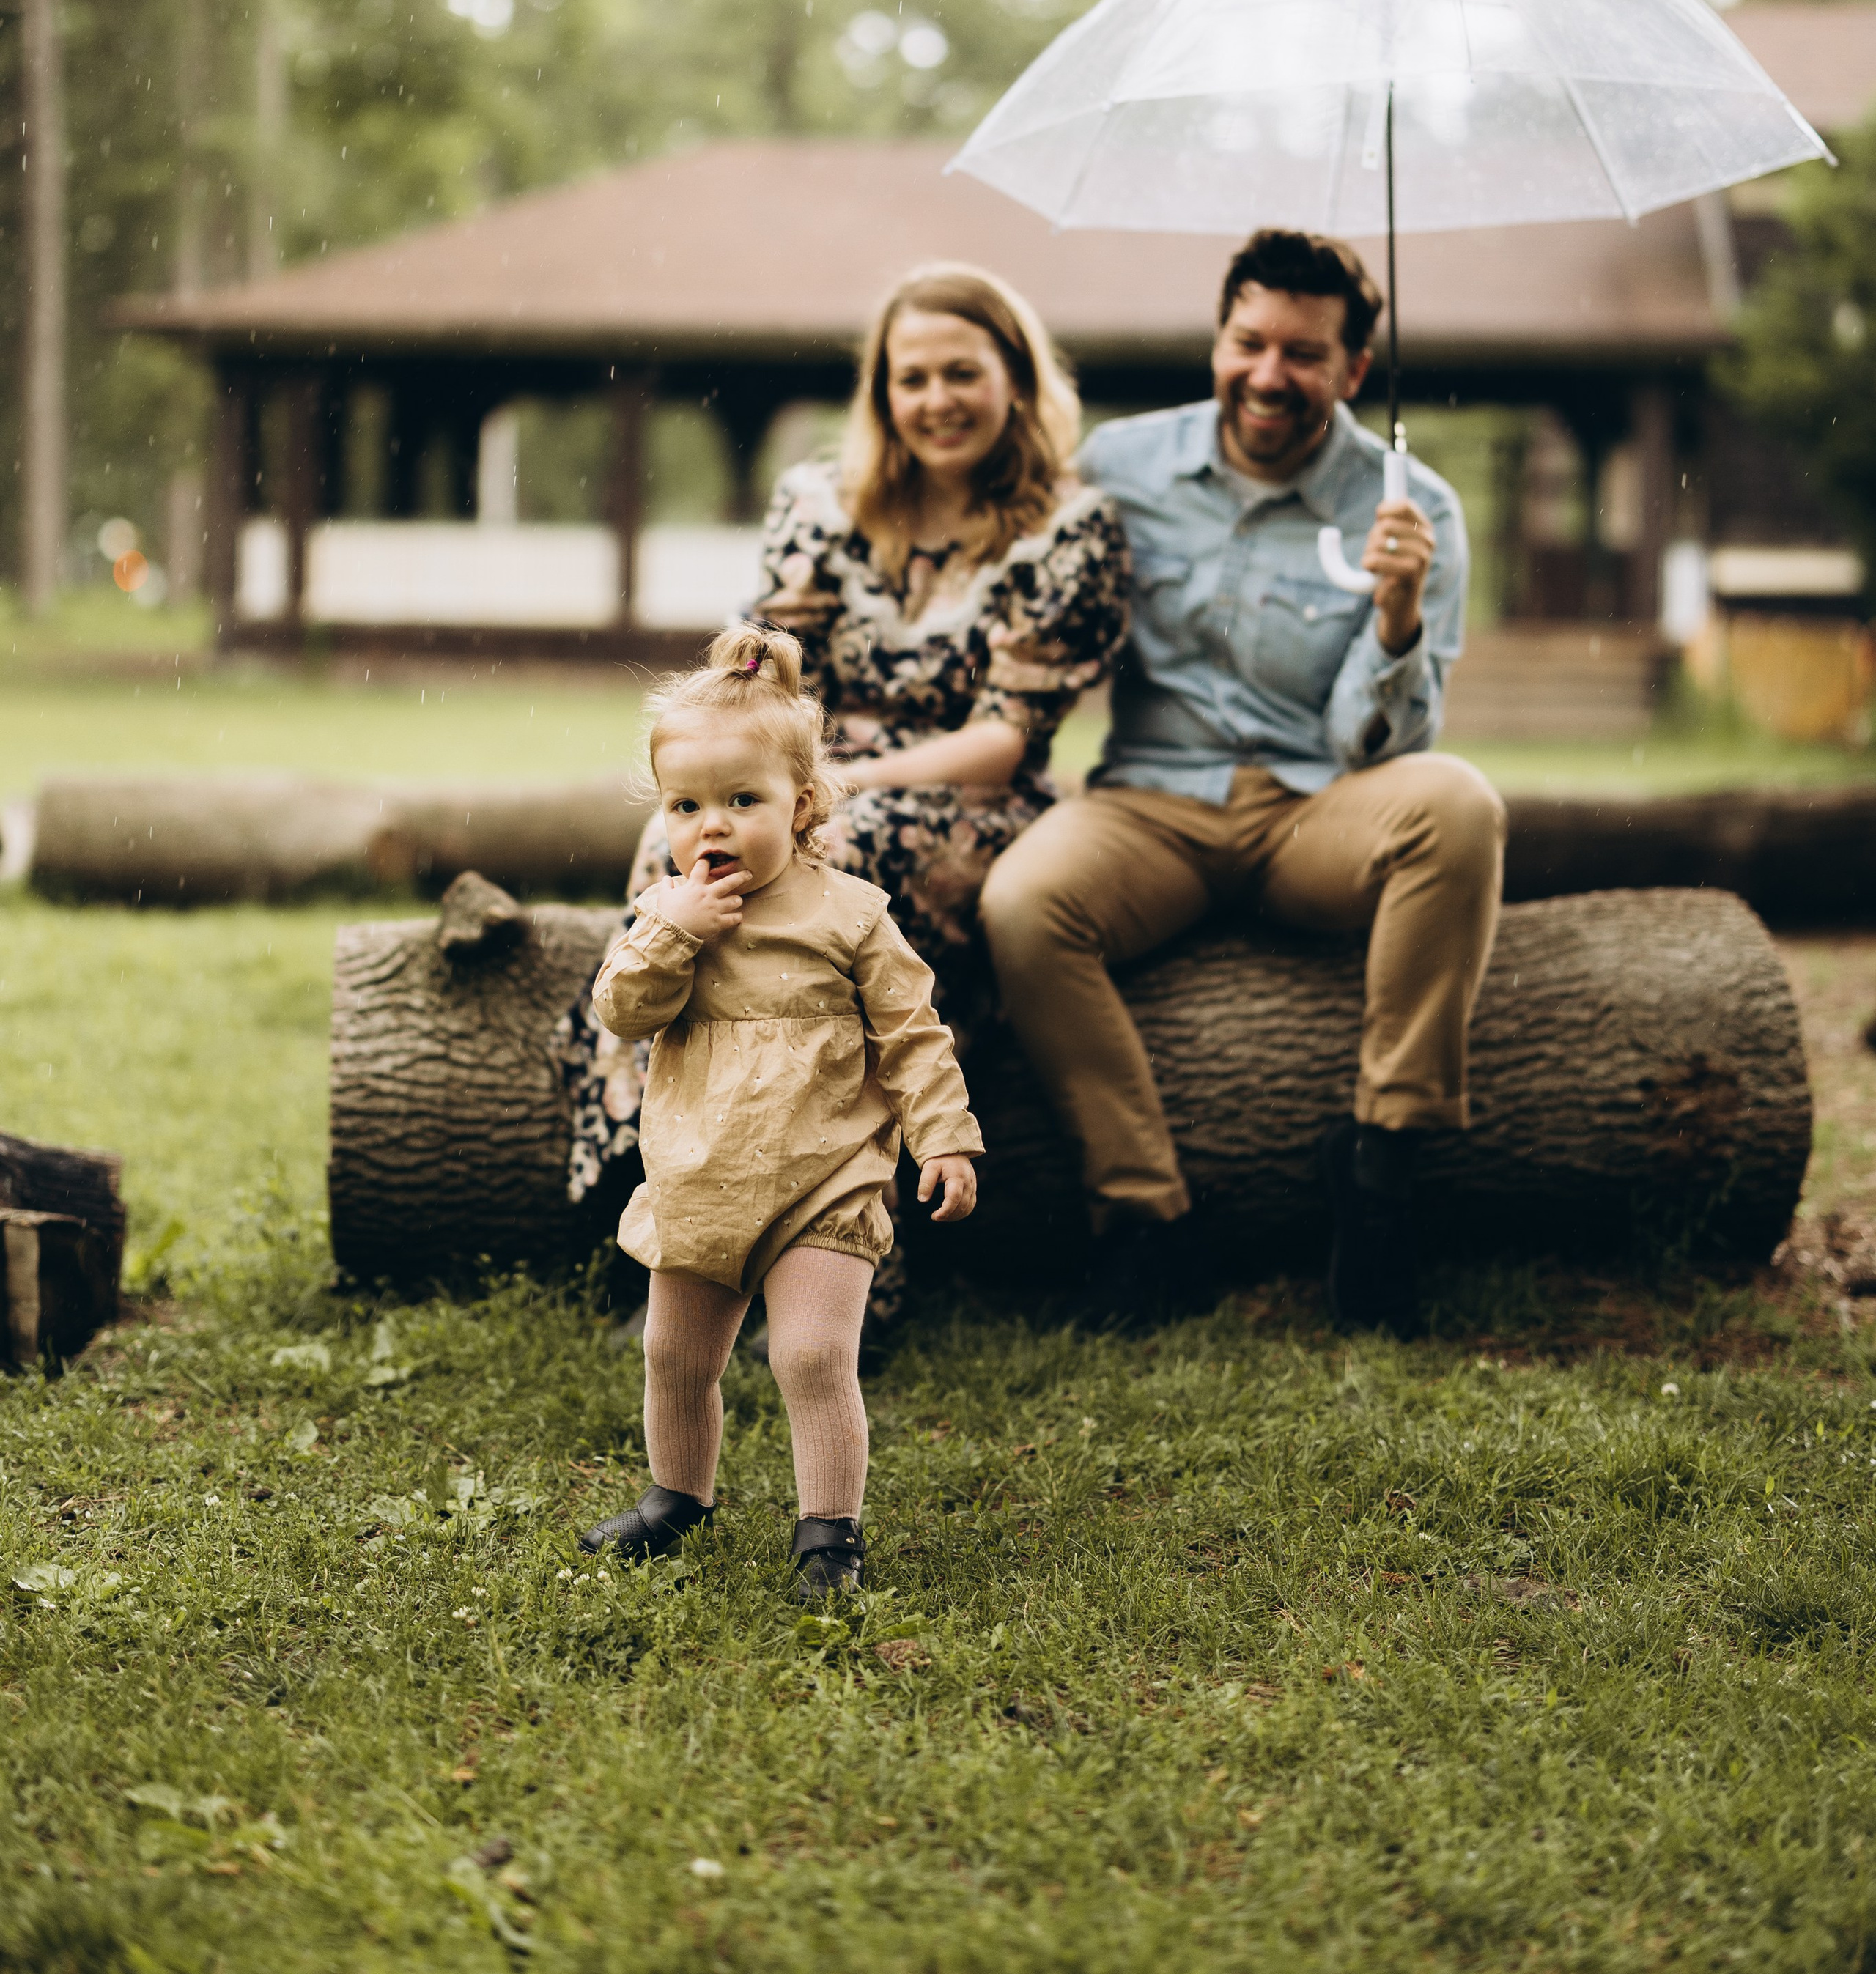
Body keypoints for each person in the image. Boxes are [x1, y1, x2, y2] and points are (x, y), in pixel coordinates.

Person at [978, 227, 1507, 1338]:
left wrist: (1399, 615)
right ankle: (1146, 1218)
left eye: (1304, 354)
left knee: (1459, 803)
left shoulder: (1414, 509)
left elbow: (1382, 742)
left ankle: (1382, 1170)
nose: (1270, 375)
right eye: (1249, 342)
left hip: (1315, 807)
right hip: (1148, 805)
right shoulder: (1120, 467)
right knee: (1023, 905)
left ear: (1354, 370)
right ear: (1218, 340)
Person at [561, 263, 1130, 1275]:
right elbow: (768, 680)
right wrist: (779, 782)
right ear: (881, 392)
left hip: (970, 794)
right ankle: (643, 1186)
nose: (937, 400)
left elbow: (1005, 735)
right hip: (801, 772)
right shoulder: (818, 504)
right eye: (912, 378)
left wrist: (848, 783)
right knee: (674, 843)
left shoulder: (1069, 526)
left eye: (963, 373)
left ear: (1017, 380)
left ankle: (851, 1240)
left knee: (841, 860)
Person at [577, 625, 983, 1598]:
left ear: (801, 806)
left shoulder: (850, 914)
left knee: (809, 1356)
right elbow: (622, 1012)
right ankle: (677, 1495)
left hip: (822, 1177)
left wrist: (945, 1138)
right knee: (675, 1354)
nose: (710, 828)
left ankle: (828, 1536)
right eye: (687, 806)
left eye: (741, 802)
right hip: (703, 1176)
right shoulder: (667, 916)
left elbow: (913, 1035)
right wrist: (672, 936)